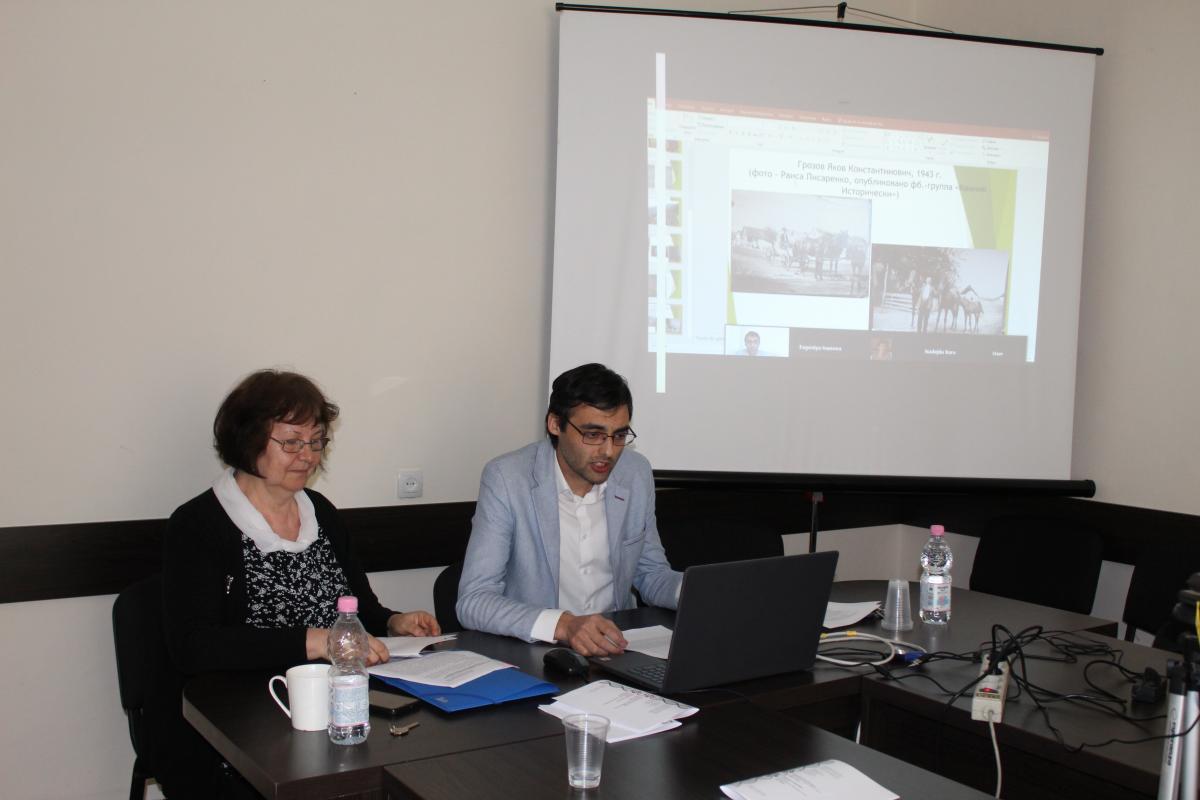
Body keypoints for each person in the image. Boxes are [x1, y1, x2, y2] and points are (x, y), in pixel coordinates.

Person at [158, 369, 438, 798]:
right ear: (248, 440)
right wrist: (314, 641)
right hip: (239, 720)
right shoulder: (198, 524)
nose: (307, 455)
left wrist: (392, 621)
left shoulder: (320, 512)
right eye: (291, 442)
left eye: (316, 441)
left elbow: (356, 608)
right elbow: (195, 647)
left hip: (335, 709)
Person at [456, 363, 682, 656]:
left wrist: (694, 592)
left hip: (618, 647)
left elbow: (651, 574)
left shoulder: (635, 473)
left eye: (619, 435)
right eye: (593, 434)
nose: (608, 451)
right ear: (555, 424)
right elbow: (474, 600)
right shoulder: (507, 479)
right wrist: (564, 625)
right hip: (539, 652)